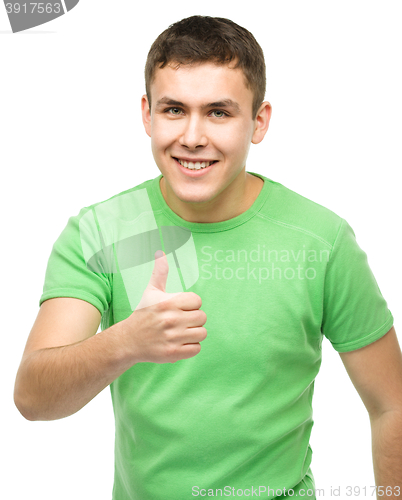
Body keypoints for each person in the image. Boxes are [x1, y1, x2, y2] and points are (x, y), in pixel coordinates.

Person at [14, 15, 402, 500]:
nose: (193, 136)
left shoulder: (321, 240)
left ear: (258, 122)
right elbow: (32, 397)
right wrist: (126, 342)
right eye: (174, 109)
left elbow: (392, 405)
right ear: (147, 115)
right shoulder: (102, 231)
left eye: (219, 112)